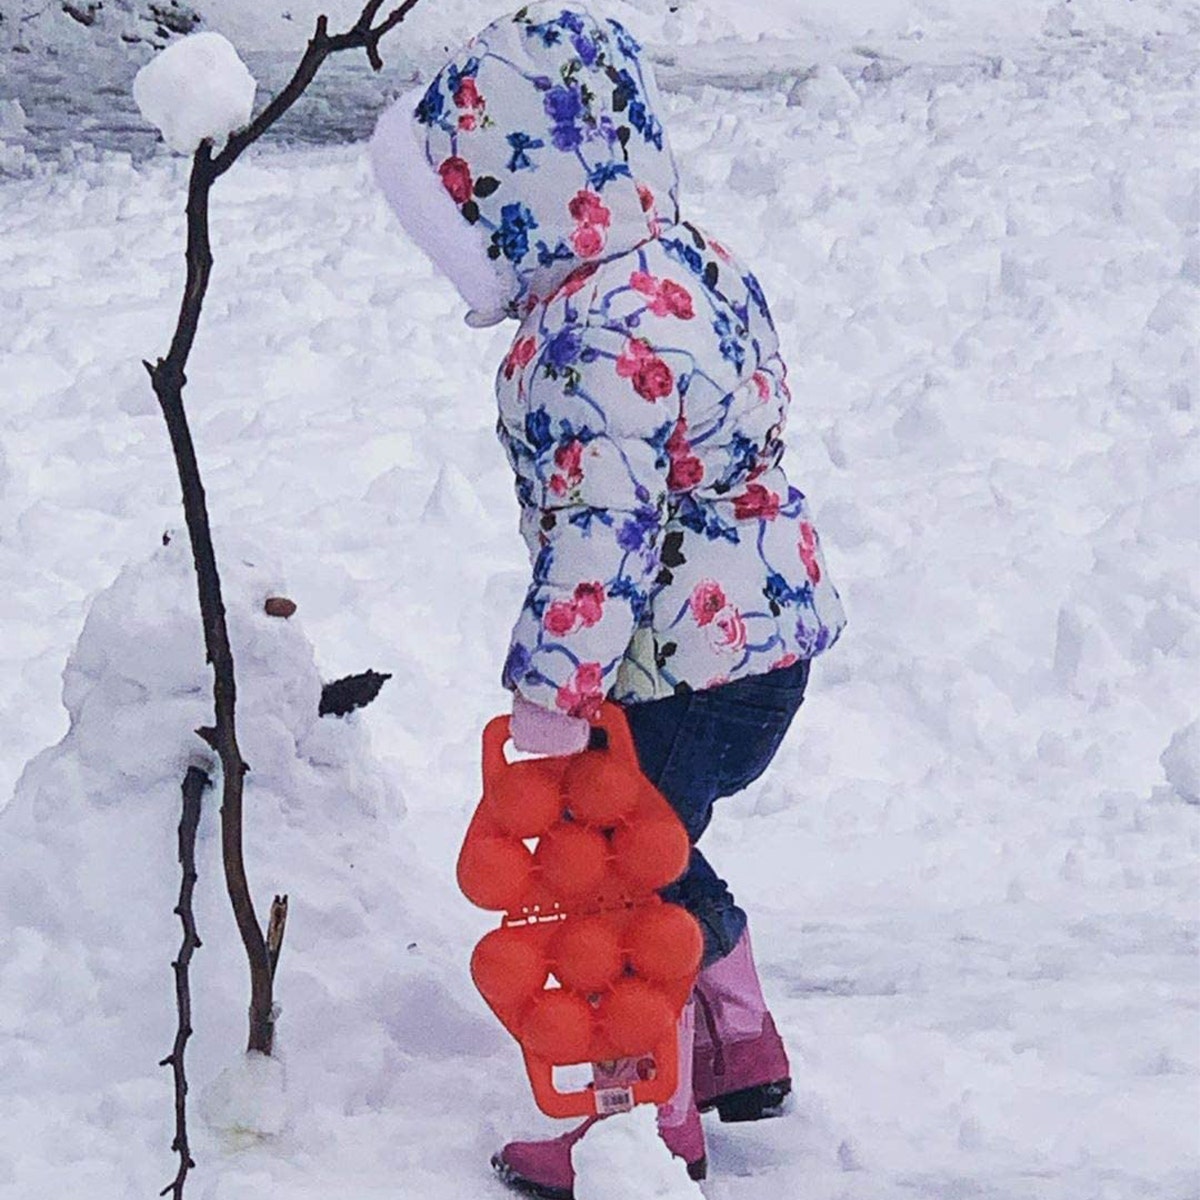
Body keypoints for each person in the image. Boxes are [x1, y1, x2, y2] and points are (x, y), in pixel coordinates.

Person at [369, 3, 846, 1194]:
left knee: (607, 882)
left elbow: (604, 532)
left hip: (675, 667)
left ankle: (643, 1127)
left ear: (508, 198)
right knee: (661, 848)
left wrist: (553, 686)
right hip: (760, 645)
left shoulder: (587, 335)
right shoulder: (691, 264)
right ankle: (736, 1040)